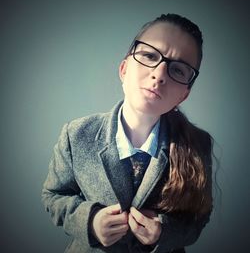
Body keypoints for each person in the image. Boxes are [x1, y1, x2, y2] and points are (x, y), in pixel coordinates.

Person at [42, 13, 213, 253]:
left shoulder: (199, 145)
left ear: (184, 95)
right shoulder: (76, 135)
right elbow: (53, 196)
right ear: (124, 69)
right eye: (150, 55)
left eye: (178, 69)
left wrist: (163, 232)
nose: (160, 74)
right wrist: (89, 221)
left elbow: (198, 219)